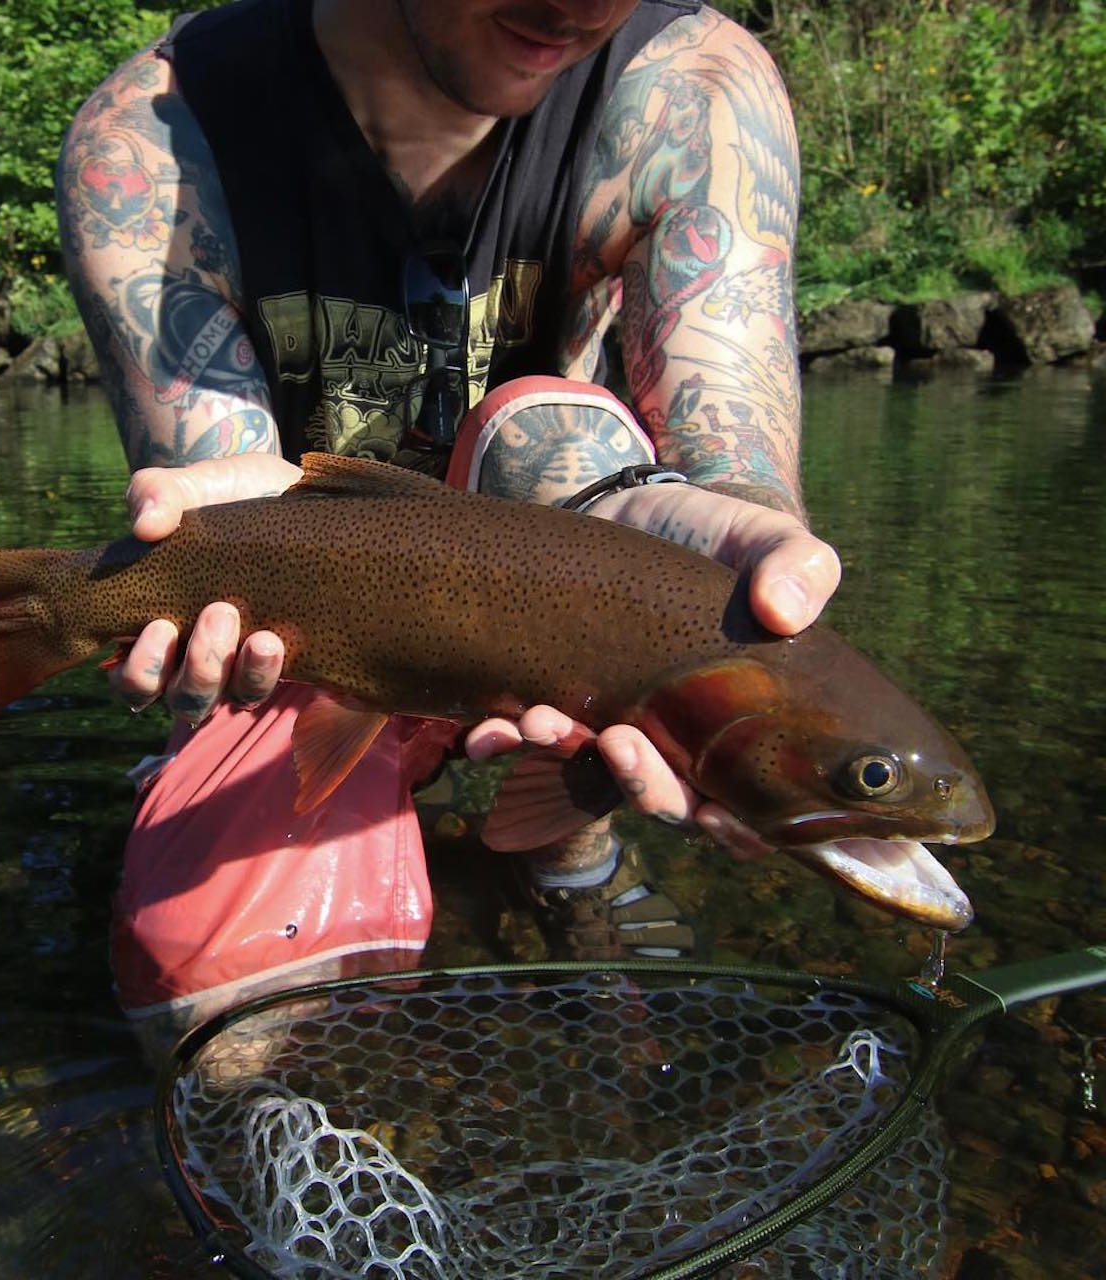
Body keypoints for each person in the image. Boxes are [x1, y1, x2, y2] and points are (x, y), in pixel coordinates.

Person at [56, 0, 841, 1050]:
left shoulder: (686, 92)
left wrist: (741, 572)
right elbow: (221, 516)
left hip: (565, 610)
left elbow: (725, 454)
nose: (579, 7)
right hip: (314, 630)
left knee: (566, 434)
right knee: (217, 1016)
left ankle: (565, 838)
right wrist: (188, 560)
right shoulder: (154, 141)